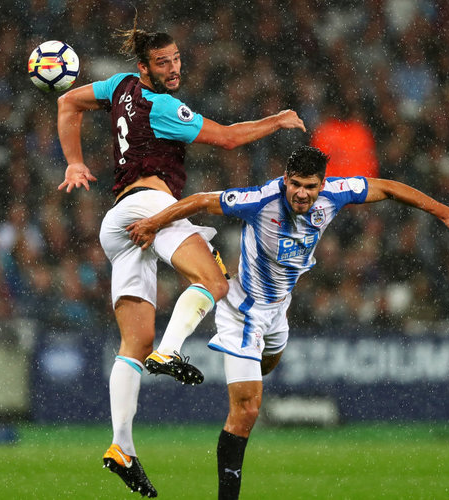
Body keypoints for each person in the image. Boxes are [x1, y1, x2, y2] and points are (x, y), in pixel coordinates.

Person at [126, 145, 449, 499]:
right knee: (248, 410)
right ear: (285, 180)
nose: (301, 193)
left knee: (267, 367)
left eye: (310, 186)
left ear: (322, 184)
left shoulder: (336, 194)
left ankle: (248, 374)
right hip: (243, 312)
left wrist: (442, 211)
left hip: (279, 310)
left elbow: (387, 187)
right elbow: (204, 199)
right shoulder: (261, 200)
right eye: (295, 184)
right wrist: (154, 223)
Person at [56, 17, 306, 498]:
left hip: (119, 222)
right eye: (163, 63)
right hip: (152, 207)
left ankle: (121, 446)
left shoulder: (118, 86)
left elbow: (67, 102)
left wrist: (74, 159)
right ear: (144, 68)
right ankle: (170, 352)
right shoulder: (163, 106)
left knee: (133, 342)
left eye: (176, 60)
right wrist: (277, 121)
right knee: (215, 282)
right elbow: (230, 137)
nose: (173, 69)